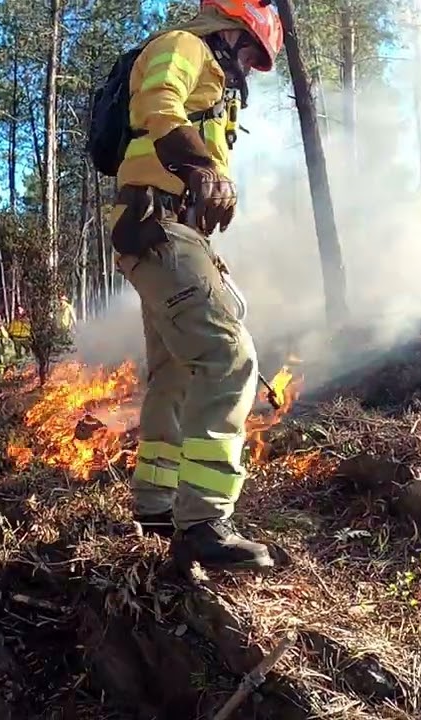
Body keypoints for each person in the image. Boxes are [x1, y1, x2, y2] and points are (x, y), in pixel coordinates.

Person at [107, 0, 283, 571]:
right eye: (251, 53)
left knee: (175, 372)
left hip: (167, 232)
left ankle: (156, 506)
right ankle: (205, 520)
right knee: (228, 359)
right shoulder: (183, 46)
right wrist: (200, 166)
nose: (249, 69)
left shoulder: (214, 81)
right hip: (157, 227)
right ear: (230, 32)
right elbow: (158, 104)